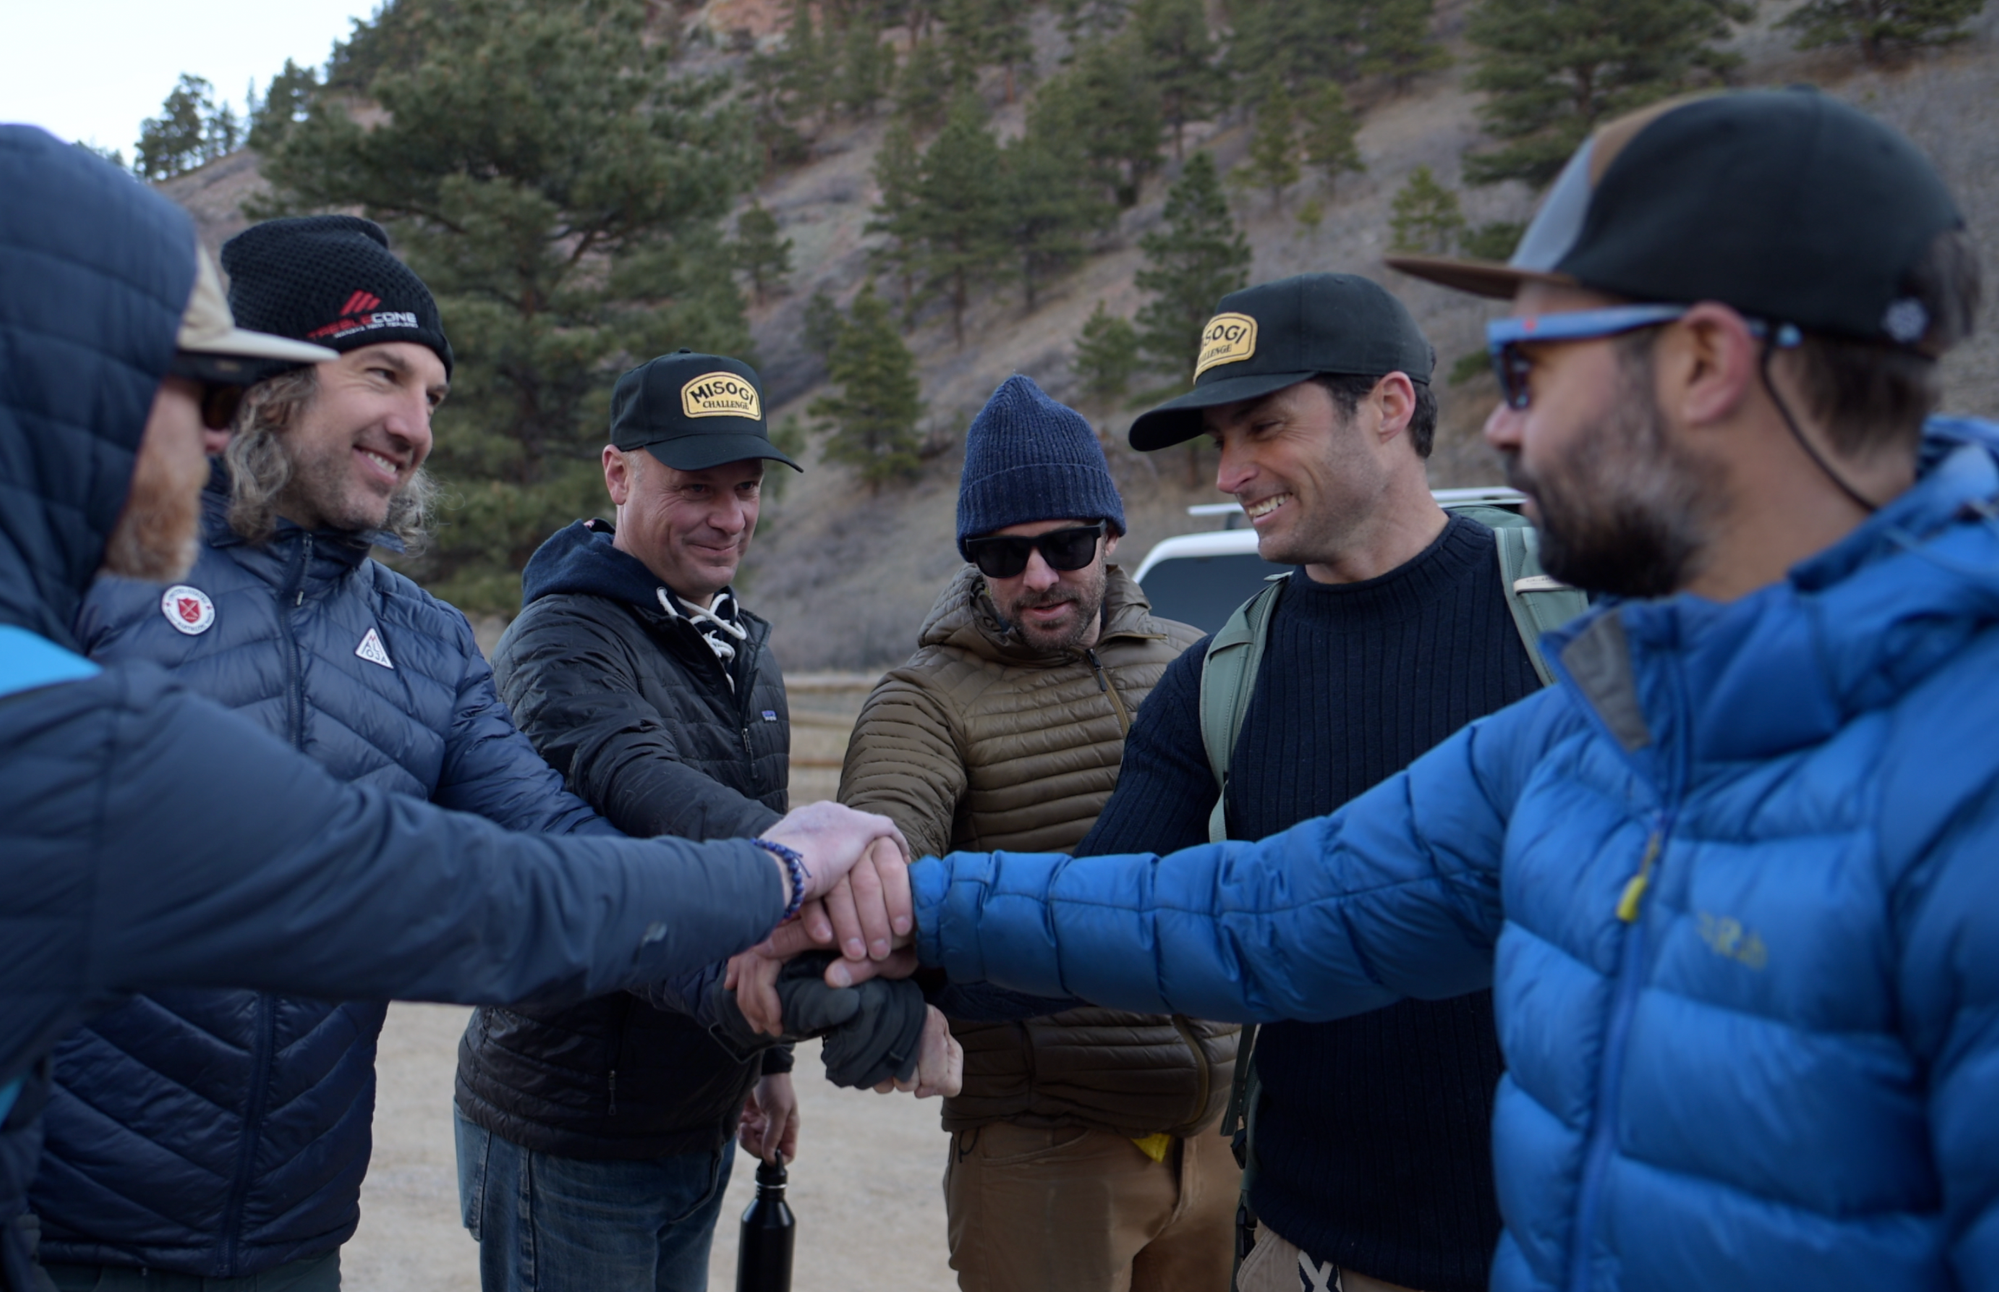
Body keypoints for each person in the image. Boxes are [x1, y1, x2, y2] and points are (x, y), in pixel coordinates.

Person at [898, 90, 1995, 1290]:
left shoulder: (1959, 787)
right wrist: (875, 905)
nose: (1504, 428)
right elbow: (1257, 913)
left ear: (1702, 363)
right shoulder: (1605, 727)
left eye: (1530, 368)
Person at [0, 126, 906, 1292]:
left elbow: (556, 855)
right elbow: (433, 886)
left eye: (432, 392)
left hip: (290, 1239)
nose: (417, 424)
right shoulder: (95, 579)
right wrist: (776, 872)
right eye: (380, 373)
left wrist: (762, 988)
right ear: (266, 383)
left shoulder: (427, 642)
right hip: (61, 1227)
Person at [1058, 269, 1574, 1292]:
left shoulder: (1571, 623)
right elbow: (1094, 909)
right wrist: (867, 935)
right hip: (1299, 1255)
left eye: (1264, 427)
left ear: (1388, 405)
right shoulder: (1220, 680)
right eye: (1221, 439)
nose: (1231, 471)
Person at [453, 350, 957, 1292]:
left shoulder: (738, 646)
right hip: (573, 1130)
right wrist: (830, 860)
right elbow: (641, 786)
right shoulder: (561, 641)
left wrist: (766, 1062)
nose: (729, 517)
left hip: (698, 1110)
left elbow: (754, 874)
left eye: (746, 487)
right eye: (695, 488)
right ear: (618, 474)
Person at [837, 375, 1234, 1292]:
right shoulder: (921, 700)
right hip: (1046, 1150)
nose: (1039, 576)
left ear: (1110, 533)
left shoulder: (1196, 658)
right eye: (1002, 553)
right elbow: (880, 867)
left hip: (1224, 1139)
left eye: (1064, 544)